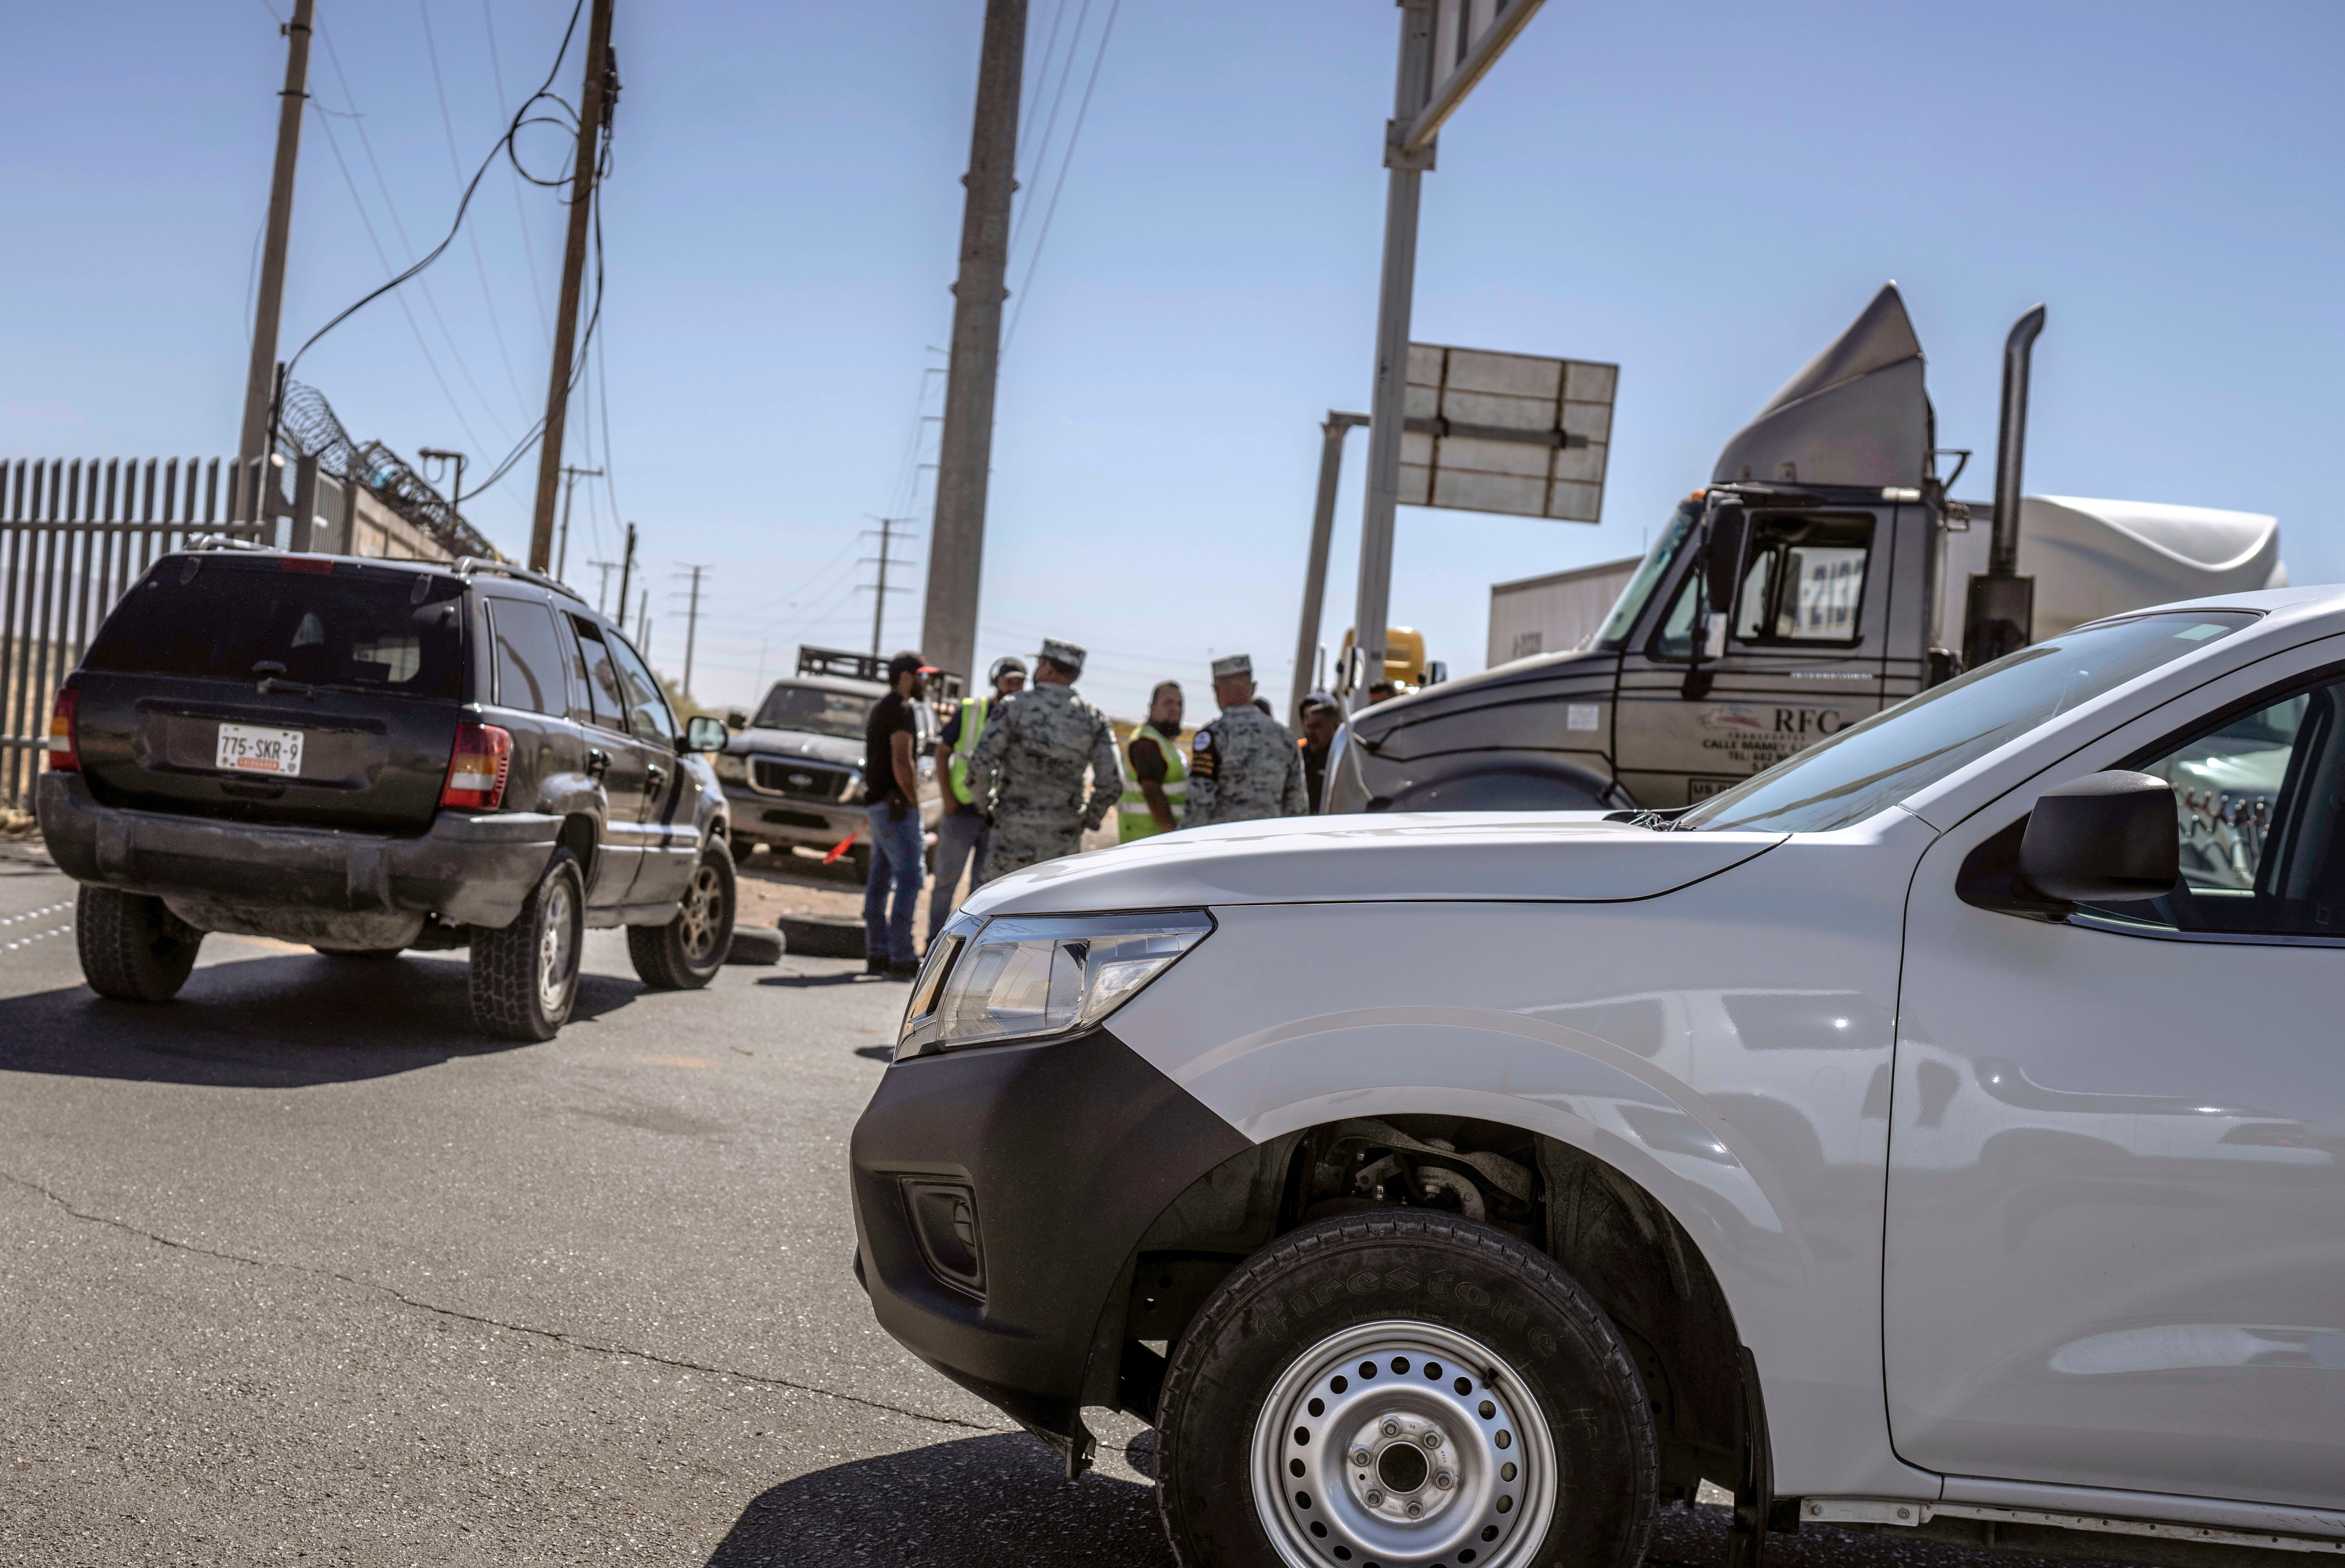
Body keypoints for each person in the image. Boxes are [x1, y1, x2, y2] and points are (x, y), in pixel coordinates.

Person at [965, 637, 1121, 879]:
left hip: (1012, 835)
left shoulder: (1013, 706)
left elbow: (979, 768)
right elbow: (1112, 782)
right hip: (1062, 842)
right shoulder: (1093, 718)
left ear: (1047, 667)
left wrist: (988, 808)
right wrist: (1086, 819)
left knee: (1001, 910)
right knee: (1050, 912)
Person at [927, 655, 1025, 950]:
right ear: (996, 682)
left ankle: (969, 949)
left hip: (996, 817)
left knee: (983, 890)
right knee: (946, 881)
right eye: (1010, 681)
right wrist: (947, 799)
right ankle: (934, 944)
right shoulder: (972, 710)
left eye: (1020, 683)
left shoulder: (1023, 718)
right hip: (962, 810)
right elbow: (943, 752)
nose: (1015, 688)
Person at [861, 651, 929, 980]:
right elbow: (902, 761)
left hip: (879, 806)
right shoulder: (901, 710)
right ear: (907, 676)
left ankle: (877, 953)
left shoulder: (881, 707)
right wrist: (914, 801)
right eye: (923, 676)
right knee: (910, 878)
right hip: (895, 808)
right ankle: (902, 956)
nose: (925, 683)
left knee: (880, 877)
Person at [1184, 654, 1307, 826]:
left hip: (1225, 843)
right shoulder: (1285, 737)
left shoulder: (1213, 736)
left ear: (1217, 690)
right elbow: (1297, 805)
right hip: (1270, 842)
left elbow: (1199, 805)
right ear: (1253, 688)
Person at [1118, 680, 1188, 841]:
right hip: (1150, 842)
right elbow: (1153, 793)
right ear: (1153, 707)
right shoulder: (1146, 743)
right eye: (1168, 703)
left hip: (1155, 842)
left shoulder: (1163, 744)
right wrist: (1176, 836)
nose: (1175, 710)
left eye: (1179, 704)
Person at [1297, 690, 1342, 813]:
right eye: (1309, 726)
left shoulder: (1343, 757)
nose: (1311, 733)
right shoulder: (1299, 755)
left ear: (1335, 727)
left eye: (1318, 727)